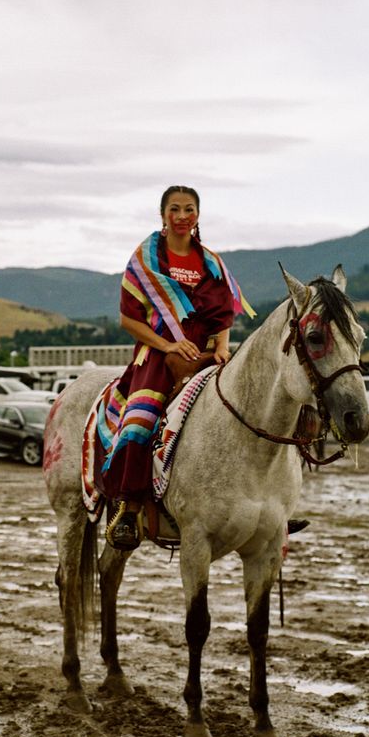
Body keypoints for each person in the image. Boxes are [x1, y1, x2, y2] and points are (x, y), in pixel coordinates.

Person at [97, 185, 255, 550]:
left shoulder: (211, 262)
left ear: (198, 215)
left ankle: (264, 505)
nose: (182, 216)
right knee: (138, 423)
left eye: (189, 209)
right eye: (175, 209)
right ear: (163, 214)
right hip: (156, 355)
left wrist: (222, 347)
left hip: (205, 356)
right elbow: (127, 319)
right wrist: (168, 344)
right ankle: (128, 507)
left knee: (251, 414)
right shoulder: (144, 260)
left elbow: (223, 315)